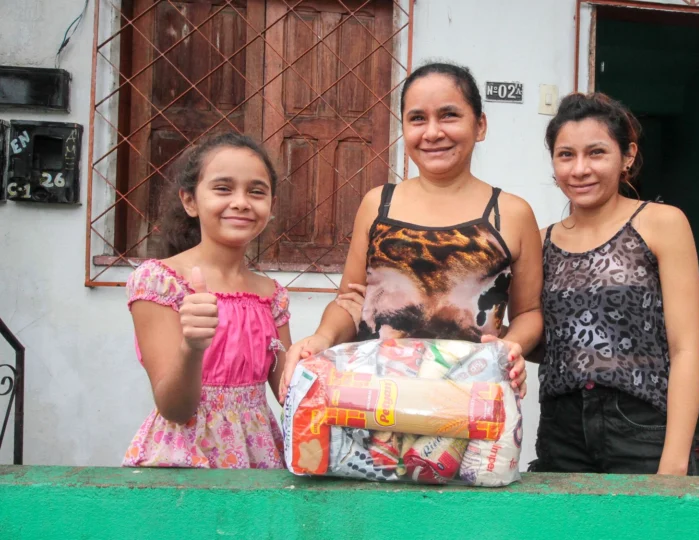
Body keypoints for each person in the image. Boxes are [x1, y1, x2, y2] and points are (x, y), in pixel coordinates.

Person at [281, 62, 542, 399]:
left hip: (472, 401)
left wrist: (511, 347)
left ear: (480, 125)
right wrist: (322, 337)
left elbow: (529, 313)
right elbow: (350, 302)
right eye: (417, 118)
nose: (432, 133)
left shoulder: (512, 213)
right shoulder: (379, 205)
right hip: (377, 401)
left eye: (449, 115)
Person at [531, 92, 699, 475]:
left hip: (642, 425)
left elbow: (686, 350)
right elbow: (540, 340)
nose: (580, 169)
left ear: (627, 156)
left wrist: (673, 464)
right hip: (561, 431)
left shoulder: (661, 223)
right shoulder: (540, 241)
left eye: (596, 153)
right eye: (566, 155)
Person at [123, 133, 291, 469]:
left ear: (271, 207)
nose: (241, 202)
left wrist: (330, 343)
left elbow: (290, 395)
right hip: (185, 466)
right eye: (223, 188)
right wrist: (192, 346)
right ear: (190, 201)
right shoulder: (161, 282)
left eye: (256, 191)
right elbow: (175, 409)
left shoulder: (271, 295)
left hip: (257, 463)